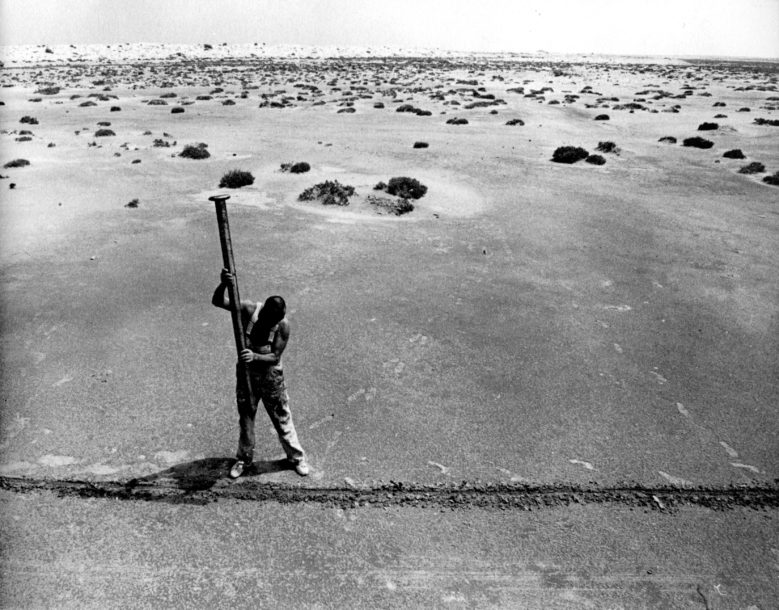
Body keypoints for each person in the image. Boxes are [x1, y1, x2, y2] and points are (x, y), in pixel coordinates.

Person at [212, 269, 309, 478]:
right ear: (263, 310)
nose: (271, 325)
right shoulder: (248, 309)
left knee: (281, 416)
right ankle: (243, 459)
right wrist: (223, 284)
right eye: (268, 320)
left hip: (270, 376)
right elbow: (218, 301)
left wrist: (255, 356)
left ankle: (297, 458)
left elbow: (275, 356)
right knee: (246, 416)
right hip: (247, 375)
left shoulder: (283, 326)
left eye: (275, 321)